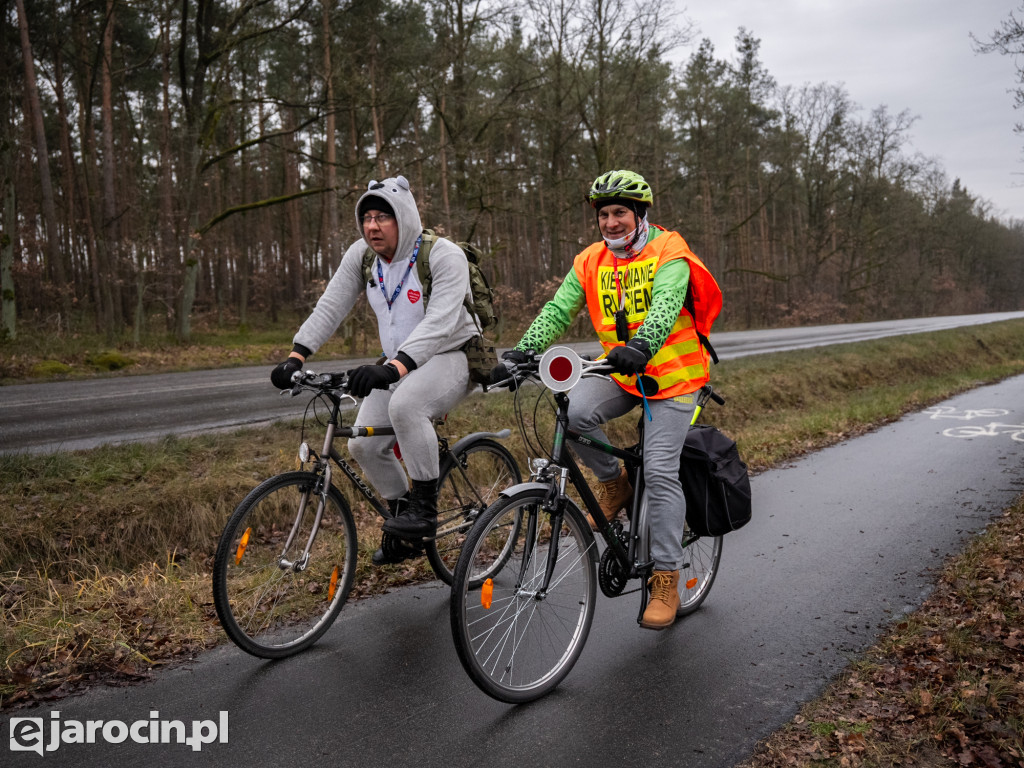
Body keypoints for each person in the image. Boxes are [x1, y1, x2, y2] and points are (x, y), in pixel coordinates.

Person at [492, 169, 722, 630]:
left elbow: (665, 305)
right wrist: (523, 350)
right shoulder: (590, 260)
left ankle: (666, 576)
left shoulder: (669, 251)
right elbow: (560, 307)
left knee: (659, 473)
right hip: (620, 369)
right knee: (573, 414)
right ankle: (614, 481)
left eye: (620, 213)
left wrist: (642, 344)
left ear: (639, 214)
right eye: (604, 214)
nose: (611, 222)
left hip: (672, 376)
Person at [271, 175, 479, 564]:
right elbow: (331, 305)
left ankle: (425, 513)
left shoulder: (443, 255)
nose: (372, 226)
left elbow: (439, 323)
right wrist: (297, 355)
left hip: (453, 355)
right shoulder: (362, 256)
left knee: (407, 407)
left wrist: (394, 368)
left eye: (383, 216)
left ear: (405, 217)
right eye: (366, 217)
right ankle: (405, 526)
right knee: (362, 444)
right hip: (400, 362)